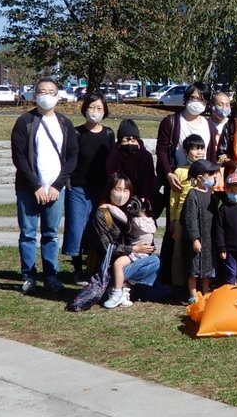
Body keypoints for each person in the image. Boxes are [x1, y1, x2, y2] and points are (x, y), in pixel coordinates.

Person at [11, 77, 78, 294]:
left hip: (55, 189)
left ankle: (51, 276)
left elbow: (72, 156)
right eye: (42, 92)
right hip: (29, 188)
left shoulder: (65, 123)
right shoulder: (25, 121)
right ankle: (28, 276)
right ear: (34, 95)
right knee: (28, 234)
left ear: (57, 96)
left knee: (51, 234)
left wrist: (57, 186)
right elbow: (19, 157)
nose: (46, 96)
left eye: (51, 92)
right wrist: (35, 186)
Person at [63, 91, 114, 284]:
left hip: (100, 189)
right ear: (85, 109)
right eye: (91, 107)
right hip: (77, 188)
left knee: (96, 229)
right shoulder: (76, 133)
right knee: (76, 227)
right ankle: (77, 269)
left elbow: (112, 160)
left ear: (105, 111)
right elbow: (69, 158)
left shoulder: (108, 133)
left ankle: (93, 267)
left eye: (99, 108)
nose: (95, 111)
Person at [91, 174, 159, 309]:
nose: (122, 194)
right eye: (118, 189)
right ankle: (116, 290)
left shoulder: (129, 212)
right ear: (109, 191)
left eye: (126, 190)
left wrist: (146, 247)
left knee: (156, 267)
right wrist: (133, 249)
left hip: (130, 262)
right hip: (111, 266)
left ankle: (125, 287)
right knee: (152, 264)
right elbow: (107, 248)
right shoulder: (102, 214)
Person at [156, 82, 219, 219]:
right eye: (194, 98)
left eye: (202, 100)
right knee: (177, 221)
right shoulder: (171, 122)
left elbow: (212, 154)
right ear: (186, 98)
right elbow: (161, 150)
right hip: (179, 181)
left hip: (202, 184)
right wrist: (169, 174)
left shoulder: (209, 125)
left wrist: (215, 173)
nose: (197, 103)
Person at [164, 134, 206, 287]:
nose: (199, 152)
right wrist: (173, 219)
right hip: (182, 218)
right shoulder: (180, 172)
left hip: (202, 218)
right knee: (179, 252)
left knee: (201, 251)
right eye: (194, 149)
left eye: (201, 148)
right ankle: (179, 284)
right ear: (185, 152)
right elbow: (174, 198)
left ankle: (201, 283)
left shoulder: (207, 170)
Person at [103, 197, 157, 309]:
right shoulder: (150, 221)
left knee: (118, 264)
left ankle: (117, 292)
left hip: (137, 253)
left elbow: (121, 216)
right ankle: (122, 290)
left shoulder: (137, 221)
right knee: (120, 265)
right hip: (140, 254)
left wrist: (110, 206)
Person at [181, 159, 220, 303]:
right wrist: (194, 239)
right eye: (210, 173)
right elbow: (189, 219)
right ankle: (193, 295)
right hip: (197, 240)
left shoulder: (211, 193)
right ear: (199, 177)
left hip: (209, 238)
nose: (213, 176)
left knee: (207, 269)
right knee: (194, 268)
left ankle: (205, 293)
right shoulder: (193, 194)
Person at [105, 119, 157, 211]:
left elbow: (148, 182)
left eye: (133, 140)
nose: (130, 143)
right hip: (119, 198)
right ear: (120, 142)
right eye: (126, 140)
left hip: (141, 199)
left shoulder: (146, 157)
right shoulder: (113, 158)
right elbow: (114, 182)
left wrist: (143, 204)